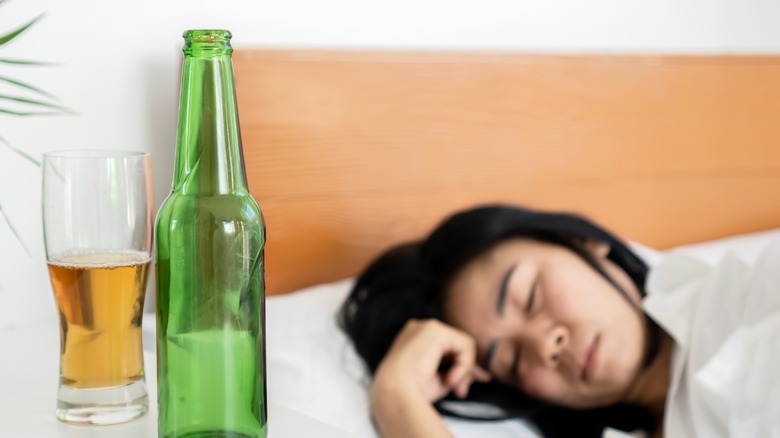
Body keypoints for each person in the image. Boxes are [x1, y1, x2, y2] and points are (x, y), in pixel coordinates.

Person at [339, 204, 780, 437]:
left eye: (528, 297)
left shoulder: (760, 291)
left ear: (582, 242)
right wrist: (397, 399)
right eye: (511, 360)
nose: (545, 344)